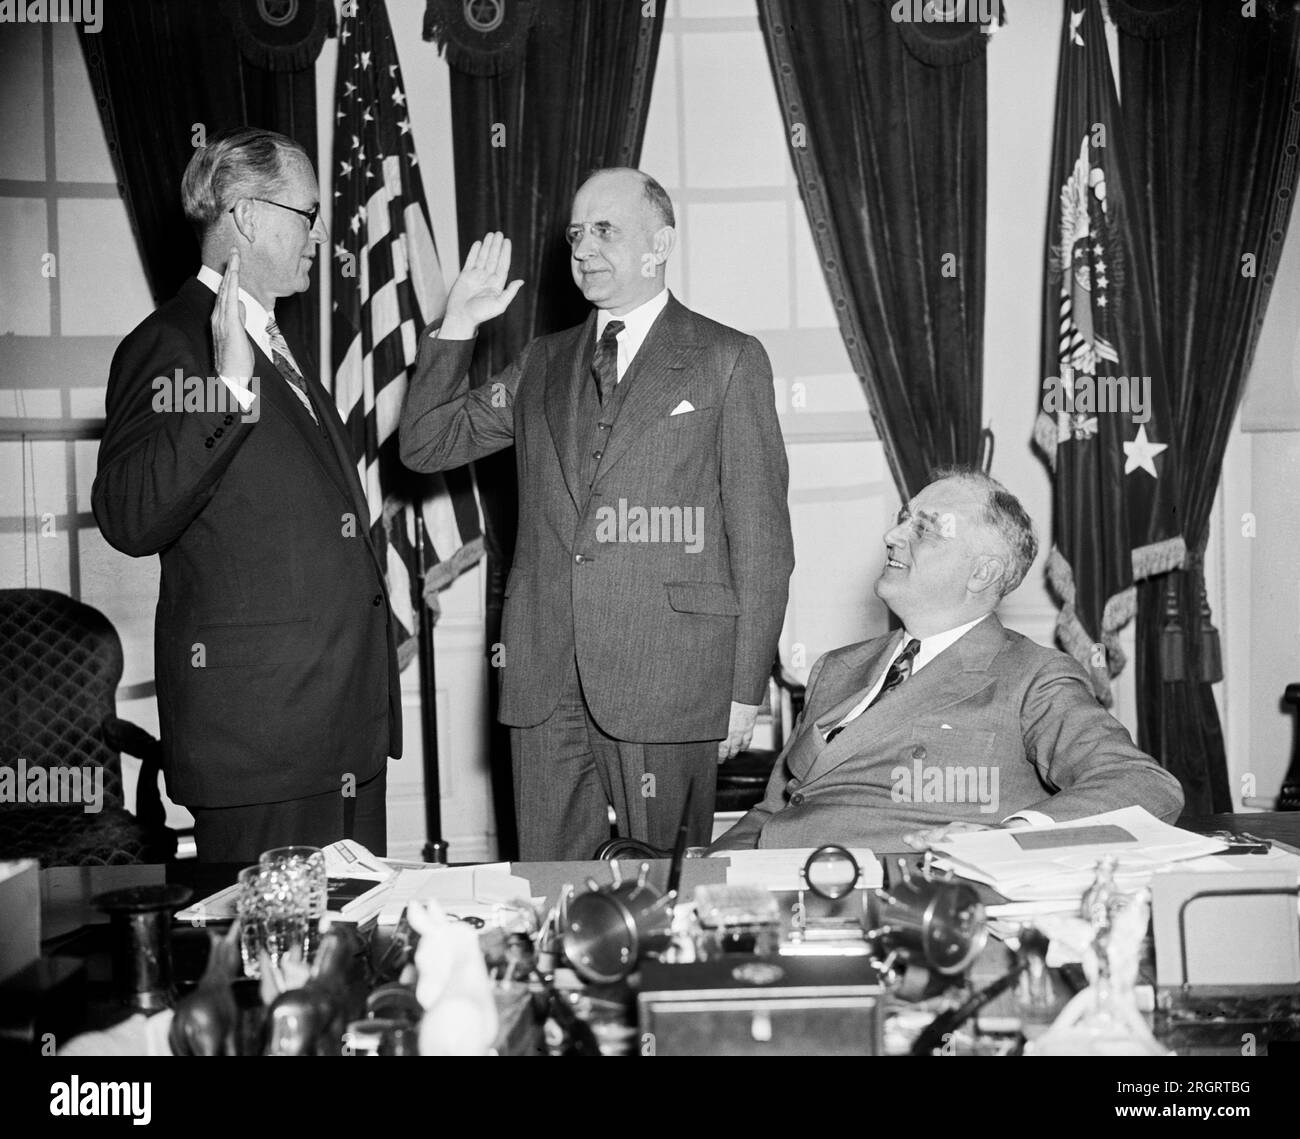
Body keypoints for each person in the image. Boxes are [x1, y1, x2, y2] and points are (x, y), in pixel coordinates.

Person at [400, 168, 794, 860]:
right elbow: (426, 441)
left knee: (664, 894)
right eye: (576, 234)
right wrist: (457, 322)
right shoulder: (541, 363)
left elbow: (763, 543)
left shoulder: (728, 360)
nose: (583, 248)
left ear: (659, 242)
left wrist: (743, 690)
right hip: (544, 683)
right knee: (551, 896)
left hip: (671, 680)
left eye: (605, 230)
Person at [93, 128, 400, 863]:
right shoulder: (172, 343)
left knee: (342, 965)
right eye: (308, 213)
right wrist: (227, 392)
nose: (320, 234)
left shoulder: (273, 340)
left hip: (338, 737)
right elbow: (130, 515)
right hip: (263, 748)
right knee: (275, 972)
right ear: (249, 215)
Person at [709, 469, 1184, 854]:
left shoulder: (1033, 677)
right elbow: (774, 812)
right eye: (901, 519)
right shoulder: (836, 668)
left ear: (983, 572)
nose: (892, 535)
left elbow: (1142, 783)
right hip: (772, 889)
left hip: (900, 906)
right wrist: (697, 880)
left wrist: (1010, 837)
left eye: (924, 528)